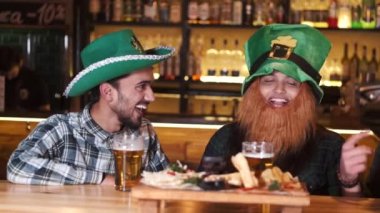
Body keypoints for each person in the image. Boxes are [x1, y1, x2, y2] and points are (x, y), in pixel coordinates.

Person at [198, 24, 372, 196]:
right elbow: (200, 195)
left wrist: (349, 180)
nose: (279, 90)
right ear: (253, 91)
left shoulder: (330, 146)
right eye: (268, 80)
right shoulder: (224, 139)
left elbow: (351, 207)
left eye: (291, 83)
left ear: (306, 95)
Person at [7, 29, 174, 185]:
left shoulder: (145, 132)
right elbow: (17, 166)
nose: (151, 96)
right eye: (141, 86)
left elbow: (168, 183)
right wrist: (100, 179)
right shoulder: (62, 129)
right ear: (108, 92)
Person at [0, 46, 50, 112]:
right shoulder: (2, 78)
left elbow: (45, 109)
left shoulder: (34, 80)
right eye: (5, 74)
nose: (9, 78)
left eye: (12, 73)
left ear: (20, 63)